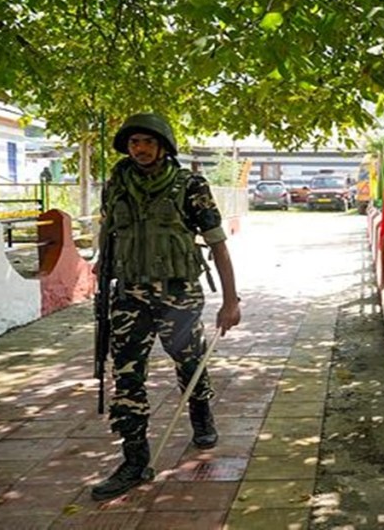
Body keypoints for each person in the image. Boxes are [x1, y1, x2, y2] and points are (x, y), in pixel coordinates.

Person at [92, 113, 241, 501]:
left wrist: (230, 300)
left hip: (178, 295)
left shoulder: (190, 185)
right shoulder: (117, 185)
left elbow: (217, 243)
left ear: (162, 146)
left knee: (189, 363)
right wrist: (100, 271)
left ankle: (201, 413)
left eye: (146, 142)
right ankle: (133, 460)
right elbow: (108, 235)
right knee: (126, 375)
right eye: (133, 142)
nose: (139, 149)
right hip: (129, 296)